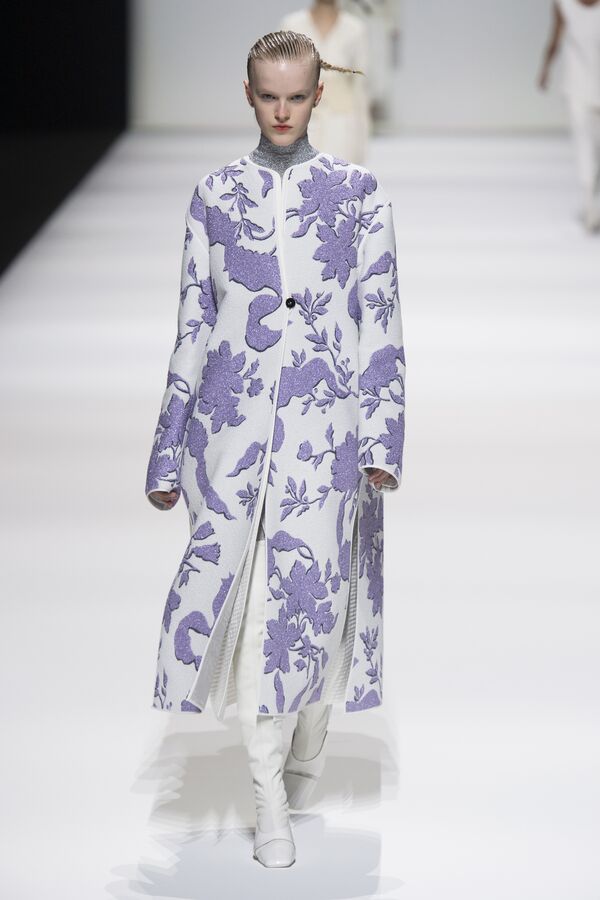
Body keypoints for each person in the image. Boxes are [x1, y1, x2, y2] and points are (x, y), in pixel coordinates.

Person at [144, 29, 406, 868]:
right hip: (232, 438)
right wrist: (167, 449)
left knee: (315, 614)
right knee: (260, 616)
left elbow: (381, 322)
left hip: (327, 437)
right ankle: (267, 801)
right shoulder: (215, 196)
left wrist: (384, 436)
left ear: (319, 95)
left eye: (296, 96)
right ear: (248, 94)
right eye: (269, 96)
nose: (283, 111)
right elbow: (192, 324)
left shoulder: (360, 195)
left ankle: (304, 754)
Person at [280, 1, 371, 163]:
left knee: (340, 173)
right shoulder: (292, 25)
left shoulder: (354, 29)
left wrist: (361, 138)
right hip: (301, 119)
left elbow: (360, 87)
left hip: (343, 120)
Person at [538, 0, 600, 232]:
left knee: (593, 148)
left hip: (588, 86)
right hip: (577, 87)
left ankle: (591, 203)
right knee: (585, 146)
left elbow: (555, 38)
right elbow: (556, 37)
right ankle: (590, 205)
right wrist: (545, 68)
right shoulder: (564, 4)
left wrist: (545, 68)